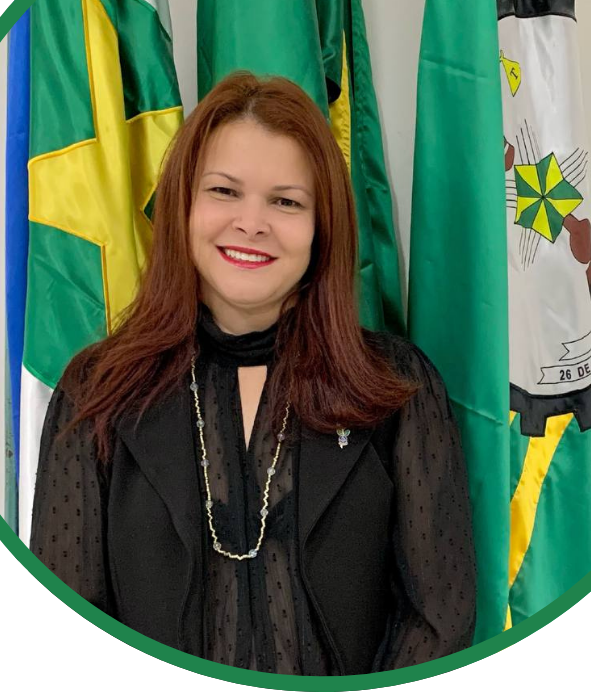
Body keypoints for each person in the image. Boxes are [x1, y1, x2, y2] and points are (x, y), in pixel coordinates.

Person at [30, 71, 476, 675]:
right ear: (183, 204)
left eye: (286, 201)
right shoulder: (95, 391)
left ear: (322, 226)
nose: (251, 222)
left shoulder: (399, 389)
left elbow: (439, 620)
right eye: (224, 191)